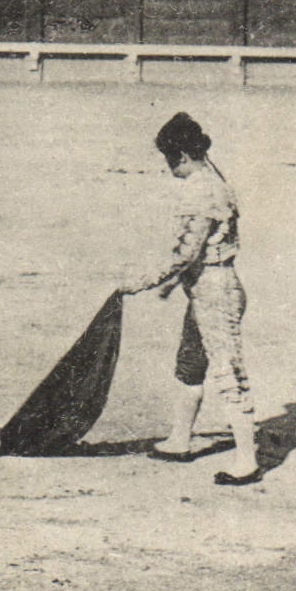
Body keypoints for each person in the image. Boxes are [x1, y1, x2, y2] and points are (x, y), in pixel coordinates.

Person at [123, 113, 262, 486]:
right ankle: (180, 439)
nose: (170, 169)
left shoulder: (201, 188)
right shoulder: (216, 181)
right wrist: (173, 284)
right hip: (207, 286)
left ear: (183, 155)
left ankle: (247, 460)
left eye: (172, 161)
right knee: (191, 364)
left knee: (228, 372)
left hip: (215, 291)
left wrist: (144, 282)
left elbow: (186, 252)